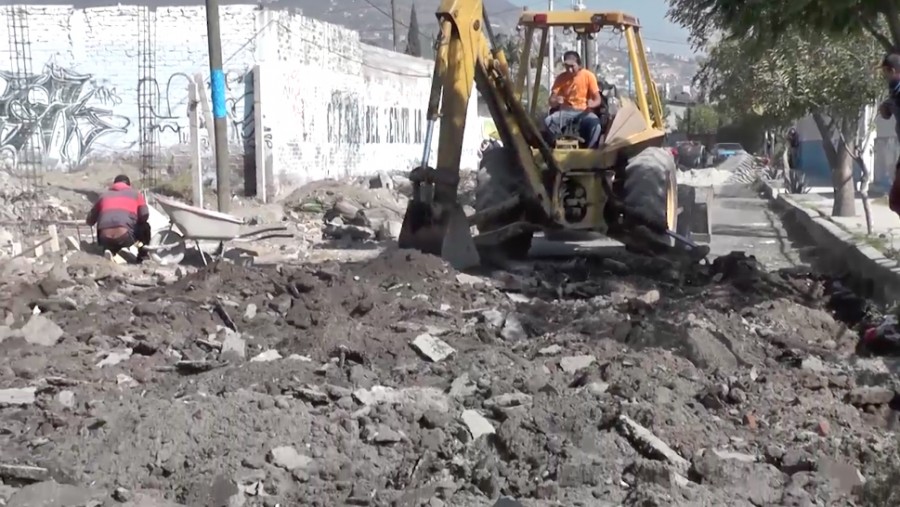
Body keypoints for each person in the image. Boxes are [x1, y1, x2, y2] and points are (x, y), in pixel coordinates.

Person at [545, 51, 604, 148]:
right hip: (565, 112)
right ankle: (557, 143)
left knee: (596, 125)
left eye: (572, 66)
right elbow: (551, 100)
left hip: (584, 112)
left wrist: (592, 104)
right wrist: (556, 100)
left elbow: (598, 99)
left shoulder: (588, 76)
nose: (570, 70)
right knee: (548, 121)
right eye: (567, 66)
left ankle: (590, 151)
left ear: (579, 65)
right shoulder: (561, 78)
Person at [86, 175, 151, 260]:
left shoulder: (103, 196)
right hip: (126, 237)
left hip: (104, 239)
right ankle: (142, 255)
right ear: (129, 185)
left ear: (114, 184)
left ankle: (109, 250)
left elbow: (90, 221)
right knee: (145, 227)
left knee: (103, 223)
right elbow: (144, 215)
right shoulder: (136, 194)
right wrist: (135, 220)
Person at [880, 53, 900, 216]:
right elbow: (886, 113)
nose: (884, 77)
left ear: (891, 70)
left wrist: (888, 106)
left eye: (885, 72)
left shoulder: (896, 84)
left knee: (895, 201)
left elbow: (886, 112)